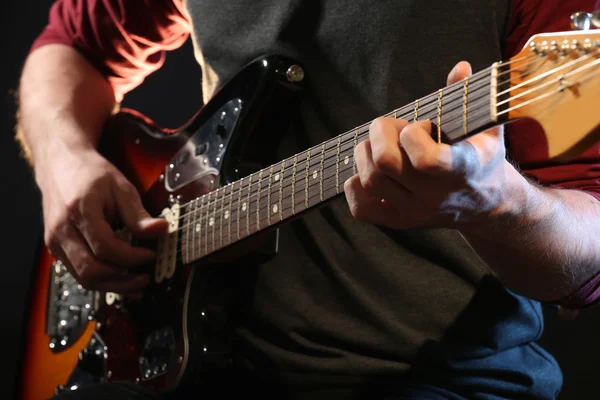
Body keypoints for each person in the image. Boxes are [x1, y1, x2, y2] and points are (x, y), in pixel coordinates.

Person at [16, 0, 600, 398]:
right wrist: (66, 163)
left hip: (435, 376)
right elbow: (72, 46)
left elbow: (588, 252)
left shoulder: (575, 56)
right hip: (197, 360)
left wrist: (497, 205)